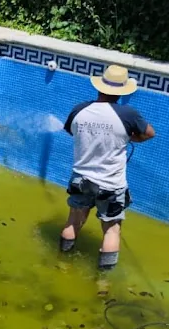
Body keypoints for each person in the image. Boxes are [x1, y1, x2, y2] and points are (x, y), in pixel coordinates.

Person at [60, 64, 155, 271]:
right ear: (122, 90)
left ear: (100, 86)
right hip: (111, 184)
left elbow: (71, 131)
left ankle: (62, 262)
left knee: (73, 221)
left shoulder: (80, 109)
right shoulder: (128, 114)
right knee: (112, 230)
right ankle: (103, 281)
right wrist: (128, 137)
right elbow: (149, 133)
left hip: (80, 179)